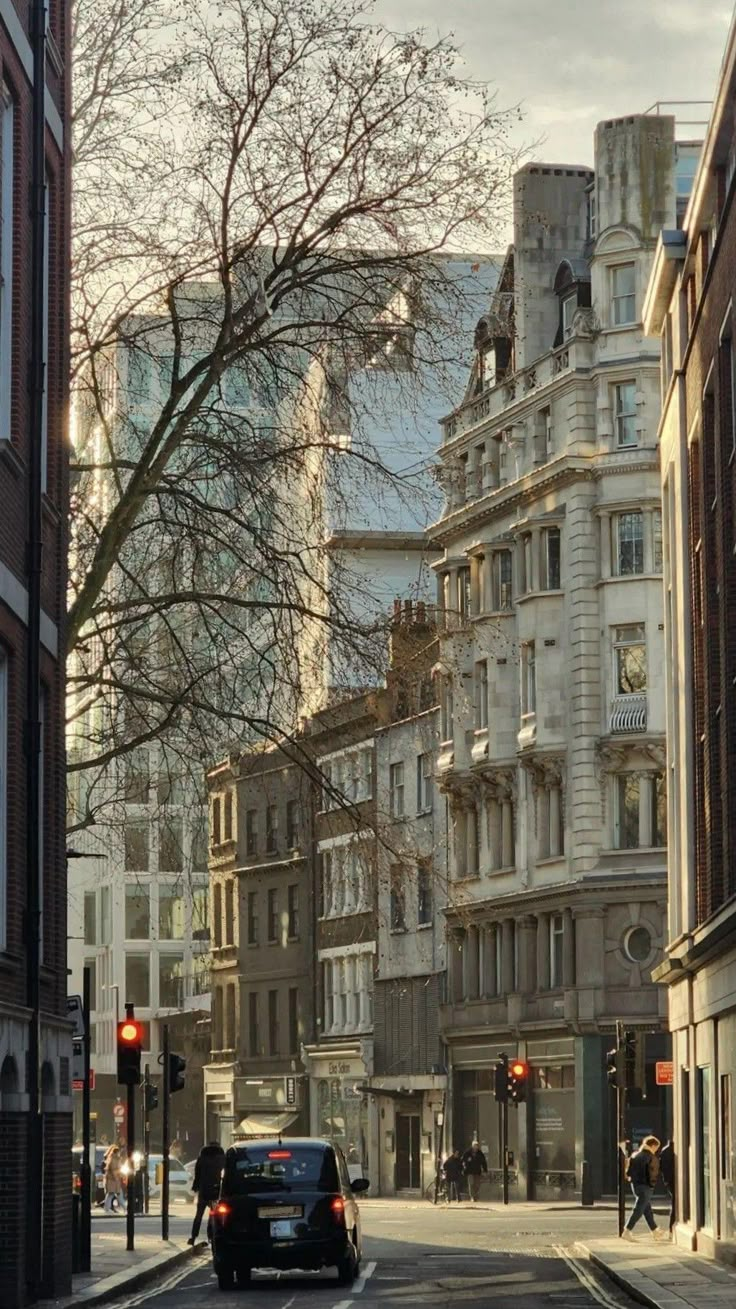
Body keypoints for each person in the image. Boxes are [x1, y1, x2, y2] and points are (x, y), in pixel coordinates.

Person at [621, 1135, 668, 1241]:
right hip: (645, 1186)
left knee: (646, 1209)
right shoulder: (651, 1157)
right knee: (638, 1209)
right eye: (656, 1147)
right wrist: (652, 1185)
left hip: (635, 1185)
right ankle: (627, 1230)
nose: (656, 1150)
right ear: (652, 1145)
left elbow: (628, 1172)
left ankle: (655, 1230)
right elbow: (653, 1174)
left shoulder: (635, 1155)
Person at [187, 1141, 226, 1245]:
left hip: (203, 1189)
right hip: (215, 1189)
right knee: (213, 1213)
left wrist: (195, 1186)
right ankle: (211, 1235)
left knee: (199, 1214)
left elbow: (197, 1172)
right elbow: (225, 1171)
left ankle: (193, 1237)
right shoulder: (221, 1155)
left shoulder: (202, 1155)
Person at [659, 1139, 675, 1236]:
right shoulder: (669, 1151)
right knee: (675, 1204)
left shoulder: (665, 1150)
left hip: (669, 1181)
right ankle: (671, 1229)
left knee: (674, 1204)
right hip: (672, 1180)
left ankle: (671, 1229)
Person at [103, 1145, 125, 1213]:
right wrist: (119, 1176)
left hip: (113, 1180)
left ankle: (125, 1208)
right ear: (116, 1152)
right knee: (112, 1194)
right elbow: (114, 1170)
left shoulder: (112, 1158)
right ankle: (107, 1208)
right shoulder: (114, 1159)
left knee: (113, 1194)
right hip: (113, 1180)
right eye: (119, 1152)